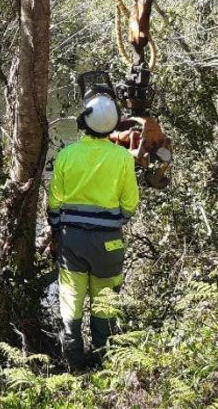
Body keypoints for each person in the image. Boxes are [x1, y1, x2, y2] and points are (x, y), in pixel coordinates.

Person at [47, 83, 141, 371]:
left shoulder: (66, 155)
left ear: (83, 121)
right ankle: (103, 363)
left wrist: (56, 227)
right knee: (104, 303)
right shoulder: (123, 158)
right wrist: (113, 223)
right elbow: (130, 205)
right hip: (109, 243)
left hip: (72, 241)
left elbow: (54, 203)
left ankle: (74, 368)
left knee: (70, 303)